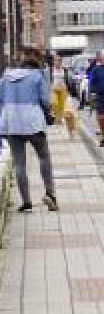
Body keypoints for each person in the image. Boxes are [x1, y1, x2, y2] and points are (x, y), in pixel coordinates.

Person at [0, 51, 58, 212]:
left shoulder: (5, 78)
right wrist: (49, 111)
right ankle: (50, 194)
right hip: (33, 122)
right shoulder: (37, 76)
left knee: (19, 164)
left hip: (11, 123)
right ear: (36, 67)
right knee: (44, 157)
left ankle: (26, 202)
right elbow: (45, 101)